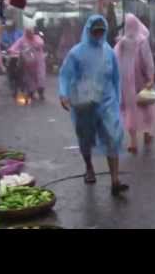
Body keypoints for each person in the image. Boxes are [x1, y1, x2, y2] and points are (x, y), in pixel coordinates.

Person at [59, 15, 129, 196]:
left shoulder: (109, 52)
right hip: (84, 103)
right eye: (95, 31)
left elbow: (116, 78)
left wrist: (119, 101)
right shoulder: (77, 52)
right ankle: (89, 167)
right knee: (86, 139)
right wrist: (64, 94)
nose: (98, 34)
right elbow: (65, 74)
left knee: (113, 137)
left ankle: (115, 180)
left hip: (107, 102)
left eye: (101, 31)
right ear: (89, 31)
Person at [114, 13, 155, 154]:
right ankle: (146, 133)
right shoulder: (141, 41)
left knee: (131, 109)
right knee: (145, 106)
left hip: (127, 81)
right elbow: (148, 59)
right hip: (140, 79)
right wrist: (151, 77)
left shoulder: (122, 42)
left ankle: (134, 142)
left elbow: (114, 60)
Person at [9, 27, 46, 100]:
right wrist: (18, 52)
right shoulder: (22, 40)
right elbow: (12, 48)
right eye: (28, 32)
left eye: (31, 32)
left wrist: (34, 45)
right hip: (28, 63)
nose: (30, 34)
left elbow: (41, 43)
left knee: (40, 77)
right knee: (29, 79)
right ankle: (31, 93)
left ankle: (41, 93)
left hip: (39, 62)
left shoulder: (37, 38)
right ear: (25, 32)